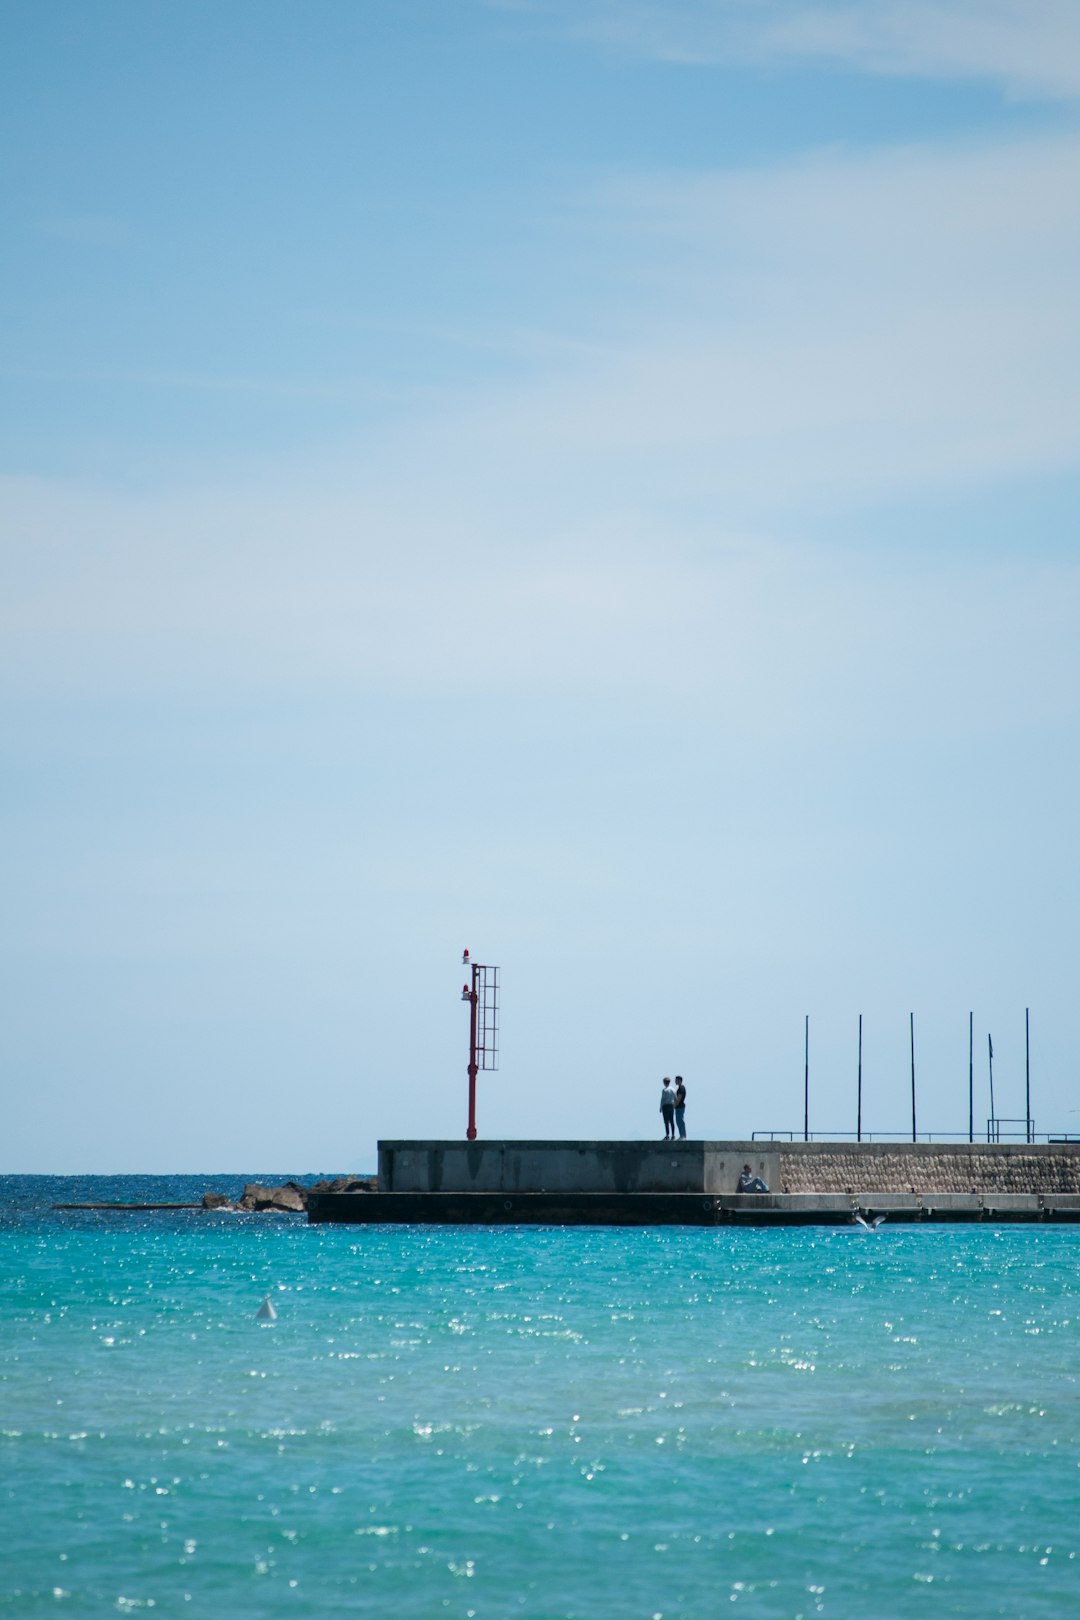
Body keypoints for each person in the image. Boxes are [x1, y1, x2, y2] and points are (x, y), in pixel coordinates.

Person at [674, 1075, 687, 1140]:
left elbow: (679, 1098)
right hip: (679, 1107)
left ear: (679, 1080)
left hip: (680, 1107)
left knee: (680, 1121)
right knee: (678, 1121)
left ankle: (683, 1135)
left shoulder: (681, 1088)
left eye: (676, 1080)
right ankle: (681, 1135)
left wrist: (674, 1106)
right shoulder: (680, 1088)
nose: (675, 1081)